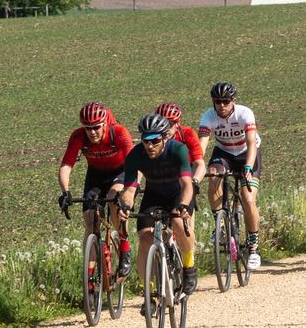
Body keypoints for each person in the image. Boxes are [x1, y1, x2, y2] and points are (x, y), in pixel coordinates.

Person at [120, 113, 197, 297]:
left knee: (178, 223)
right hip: (153, 195)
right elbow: (130, 190)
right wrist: (126, 206)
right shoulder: (135, 155)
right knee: (145, 238)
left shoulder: (178, 150)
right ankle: (148, 290)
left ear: (165, 137)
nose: (150, 145)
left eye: (155, 140)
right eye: (146, 141)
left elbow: (187, 184)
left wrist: (184, 205)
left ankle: (189, 266)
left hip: (178, 193)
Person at [57, 102, 134, 278]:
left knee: (113, 199)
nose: (91, 132)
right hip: (96, 175)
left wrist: (129, 191)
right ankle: (89, 279)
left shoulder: (119, 133)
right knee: (90, 222)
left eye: (96, 127)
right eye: (87, 128)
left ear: (105, 123)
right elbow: (66, 166)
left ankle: (124, 245)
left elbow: (134, 164)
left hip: (120, 172)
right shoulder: (78, 137)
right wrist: (65, 192)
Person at [199, 81, 263, 271]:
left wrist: (249, 167)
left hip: (247, 153)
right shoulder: (208, 116)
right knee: (212, 174)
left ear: (233, 101)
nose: (222, 106)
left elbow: (252, 143)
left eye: (226, 101)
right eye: (218, 102)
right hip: (224, 153)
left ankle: (253, 247)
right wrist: (196, 168)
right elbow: (201, 147)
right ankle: (219, 224)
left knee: (248, 198)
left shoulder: (244, 113)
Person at [154, 102, 206, 188]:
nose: (165, 129)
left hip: (185, 168)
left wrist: (194, 182)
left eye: (169, 124)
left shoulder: (188, 134)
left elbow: (200, 165)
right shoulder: (151, 138)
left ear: (178, 123)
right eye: (161, 124)